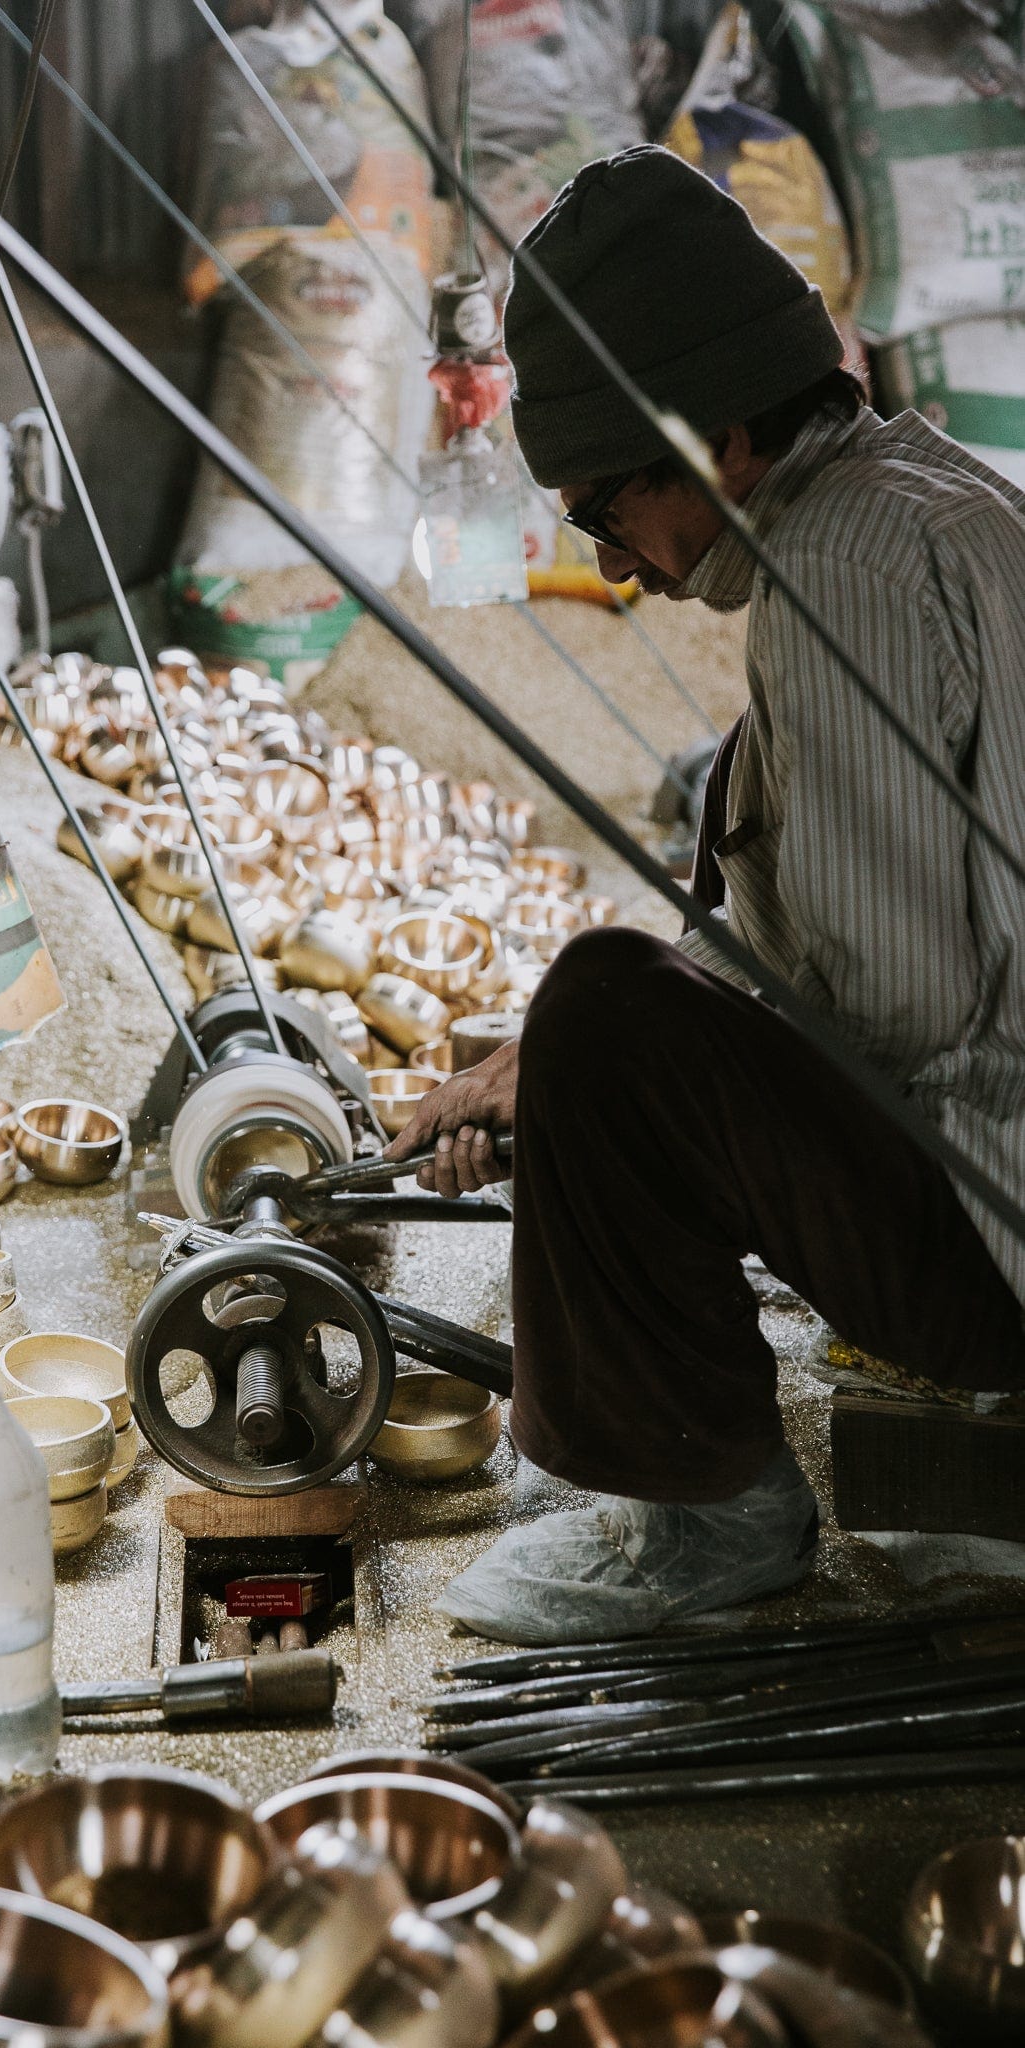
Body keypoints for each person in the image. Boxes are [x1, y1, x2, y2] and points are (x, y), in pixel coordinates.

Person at [387, 144, 1025, 1644]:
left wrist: (587, 1065)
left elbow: (891, 1002)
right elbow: (815, 928)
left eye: (610, 512)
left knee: (607, 1007)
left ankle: (697, 1509)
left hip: (997, 1237)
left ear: (721, 438)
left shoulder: (839, 574)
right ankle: (637, 1426)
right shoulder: (918, 494)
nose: (617, 567)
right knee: (613, 1013)